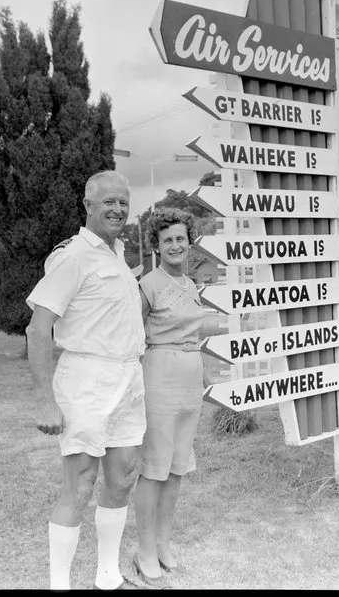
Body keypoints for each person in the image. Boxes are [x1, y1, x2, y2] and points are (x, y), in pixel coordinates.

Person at [25, 170, 146, 591]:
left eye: (123, 202)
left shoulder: (118, 254)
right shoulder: (73, 255)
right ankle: (59, 585)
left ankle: (107, 577)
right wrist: (44, 400)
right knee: (80, 483)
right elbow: (38, 330)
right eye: (108, 201)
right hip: (87, 379)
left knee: (124, 475)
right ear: (87, 206)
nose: (117, 209)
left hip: (128, 375)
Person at [132, 207, 207, 588]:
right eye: (167, 240)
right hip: (159, 377)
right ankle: (144, 549)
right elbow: (132, 333)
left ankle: (162, 541)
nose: (175, 245)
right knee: (155, 469)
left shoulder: (192, 285)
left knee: (177, 468)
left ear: (189, 240)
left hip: (191, 381)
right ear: (157, 247)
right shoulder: (148, 284)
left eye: (180, 238)